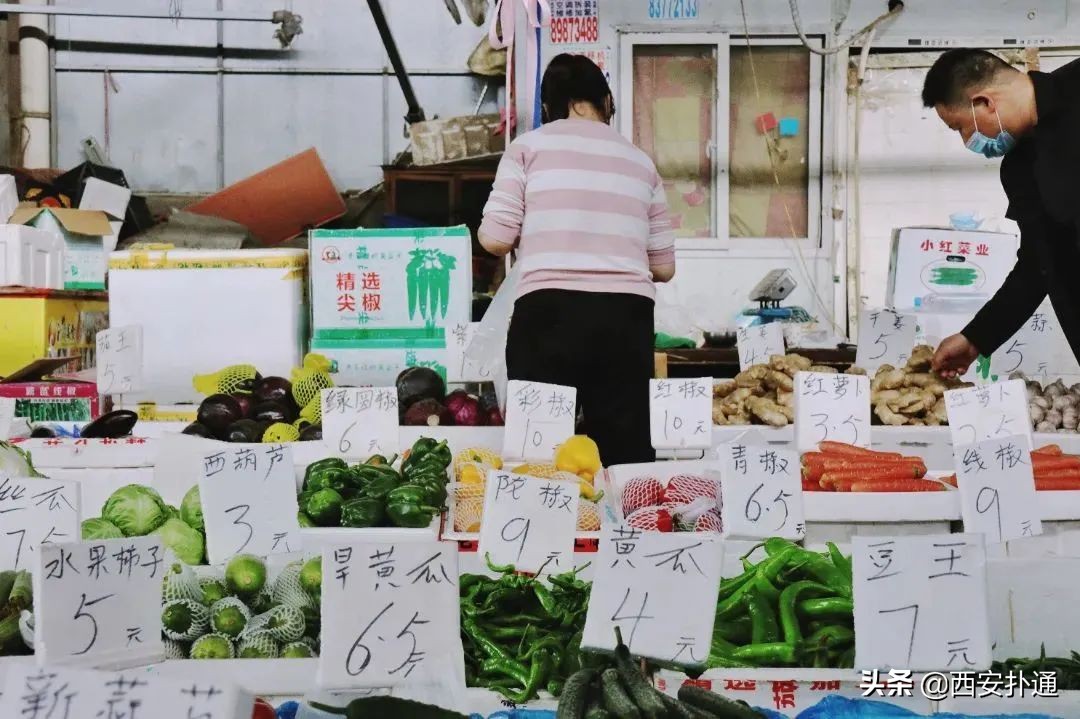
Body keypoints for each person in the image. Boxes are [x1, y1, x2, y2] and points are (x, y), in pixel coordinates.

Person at [478, 53, 676, 466]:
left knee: (540, 457)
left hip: (549, 315)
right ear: (606, 100)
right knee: (624, 459)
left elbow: (496, 240)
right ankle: (625, 528)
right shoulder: (642, 163)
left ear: (548, 107)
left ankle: (544, 528)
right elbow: (663, 268)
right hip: (626, 320)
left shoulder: (527, 149)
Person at [922, 48, 1080, 378]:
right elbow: (1039, 263)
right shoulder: (1021, 167)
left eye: (960, 128)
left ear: (985, 104)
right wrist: (976, 337)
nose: (968, 141)